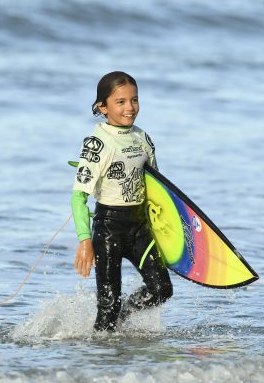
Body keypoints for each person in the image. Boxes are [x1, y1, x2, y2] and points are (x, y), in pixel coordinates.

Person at [71, 71, 173, 332]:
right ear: (102, 107)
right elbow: (78, 196)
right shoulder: (98, 143)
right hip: (108, 229)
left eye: (134, 100)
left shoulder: (143, 139)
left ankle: (124, 317)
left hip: (140, 228)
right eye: (121, 102)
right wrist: (84, 240)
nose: (130, 107)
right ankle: (102, 362)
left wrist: (168, 232)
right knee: (107, 308)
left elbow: (157, 189)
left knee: (161, 289)